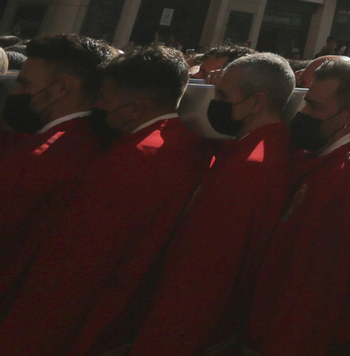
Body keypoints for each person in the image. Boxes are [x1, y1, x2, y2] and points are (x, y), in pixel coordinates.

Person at [0, 45, 206, 356]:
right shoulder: (190, 145)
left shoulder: (130, 160)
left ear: (135, 108)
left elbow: (75, 266)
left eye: (105, 99)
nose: (96, 105)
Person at [131, 53, 295, 356]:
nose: (214, 101)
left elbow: (203, 273)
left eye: (222, 94)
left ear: (257, 103)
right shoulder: (266, 150)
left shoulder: (247, 170)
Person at [246, 56, 350, 356]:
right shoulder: (323, 157)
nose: (304, 113)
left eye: (316, 107)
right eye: (306, 102)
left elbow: (318, 289)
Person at [0, 34, 112, 302]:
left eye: (24, 83)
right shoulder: (103, 143)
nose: (15, 93)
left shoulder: (36, 159)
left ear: (62, 87)